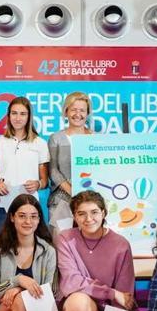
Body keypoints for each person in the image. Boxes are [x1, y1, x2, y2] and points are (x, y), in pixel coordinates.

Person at [56, 190, 138, 311]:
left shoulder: (121, 244)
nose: (88, 219)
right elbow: (71, 281)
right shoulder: (65, 238)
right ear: (74, 216)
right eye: (81, 213)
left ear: (103, 213)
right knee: (78, 301)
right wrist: (110, 292)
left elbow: (125, 293)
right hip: (83, 310)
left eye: (94, 212)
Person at [0, 97, 49, 238]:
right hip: (2, 202)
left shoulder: (40, 143)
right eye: (14, 113)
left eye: (23, 114)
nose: (18, 118)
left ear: (29, 117)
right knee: (1, 246)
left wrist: (38, 184)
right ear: (8, 115)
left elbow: (45, 181)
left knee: (28, 245)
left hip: (29, 204)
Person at [47, 92, 94, 229]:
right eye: (73, 110)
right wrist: (73, 191)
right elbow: (53, 170)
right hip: (62, 199)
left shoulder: (95, 138)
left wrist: (83, 195)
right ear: (66, 112)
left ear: (87, 113)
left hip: (89, 201)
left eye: (82, 110)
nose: (77, 114)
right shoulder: (56, 138)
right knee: (61, 245)